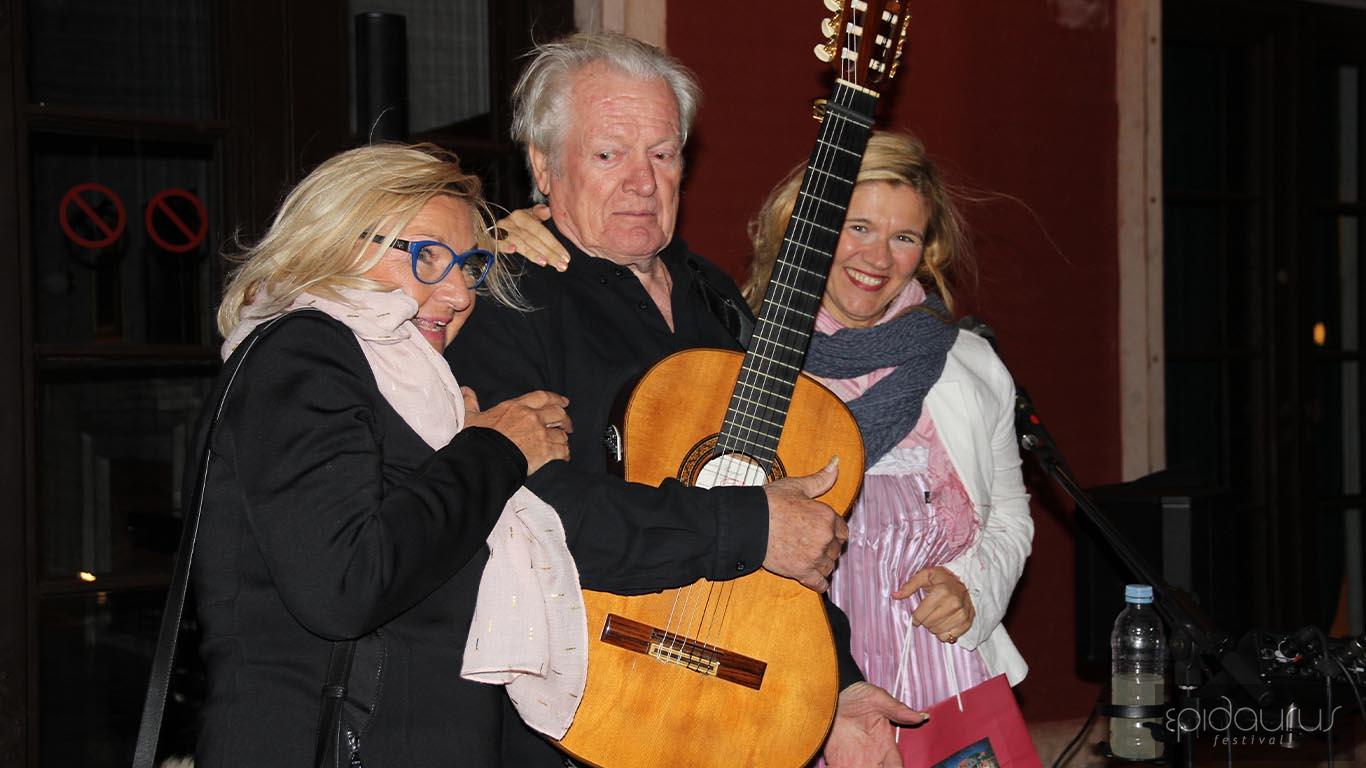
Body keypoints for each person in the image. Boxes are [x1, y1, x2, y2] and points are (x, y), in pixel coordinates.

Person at [447, 31, 922, 768]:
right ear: (544, 165)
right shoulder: (505, 299)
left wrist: (844, 689)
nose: (643, 181)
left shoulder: (717, 300)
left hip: (741, 710)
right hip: (578, 708)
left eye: (663, 154)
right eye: (609, 154)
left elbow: (781, 512)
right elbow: (533, 514)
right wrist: (750, 525)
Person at [193, 143, 575, 766]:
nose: (457, 294)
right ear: (335, 241)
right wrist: (495, 449)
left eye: (470, 264)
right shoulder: (303, 352)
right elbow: (345, 587)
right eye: (426, 256)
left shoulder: (411, 390)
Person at [745, 131, 1032, 725]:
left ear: (926, 250)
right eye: (858, 227)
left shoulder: (970, 364)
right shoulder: (745, 359)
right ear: (810, 227)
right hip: (799, 676)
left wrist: (971, 589)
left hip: (946, 668)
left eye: (903, 237)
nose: (877, 259)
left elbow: (1008, 512)